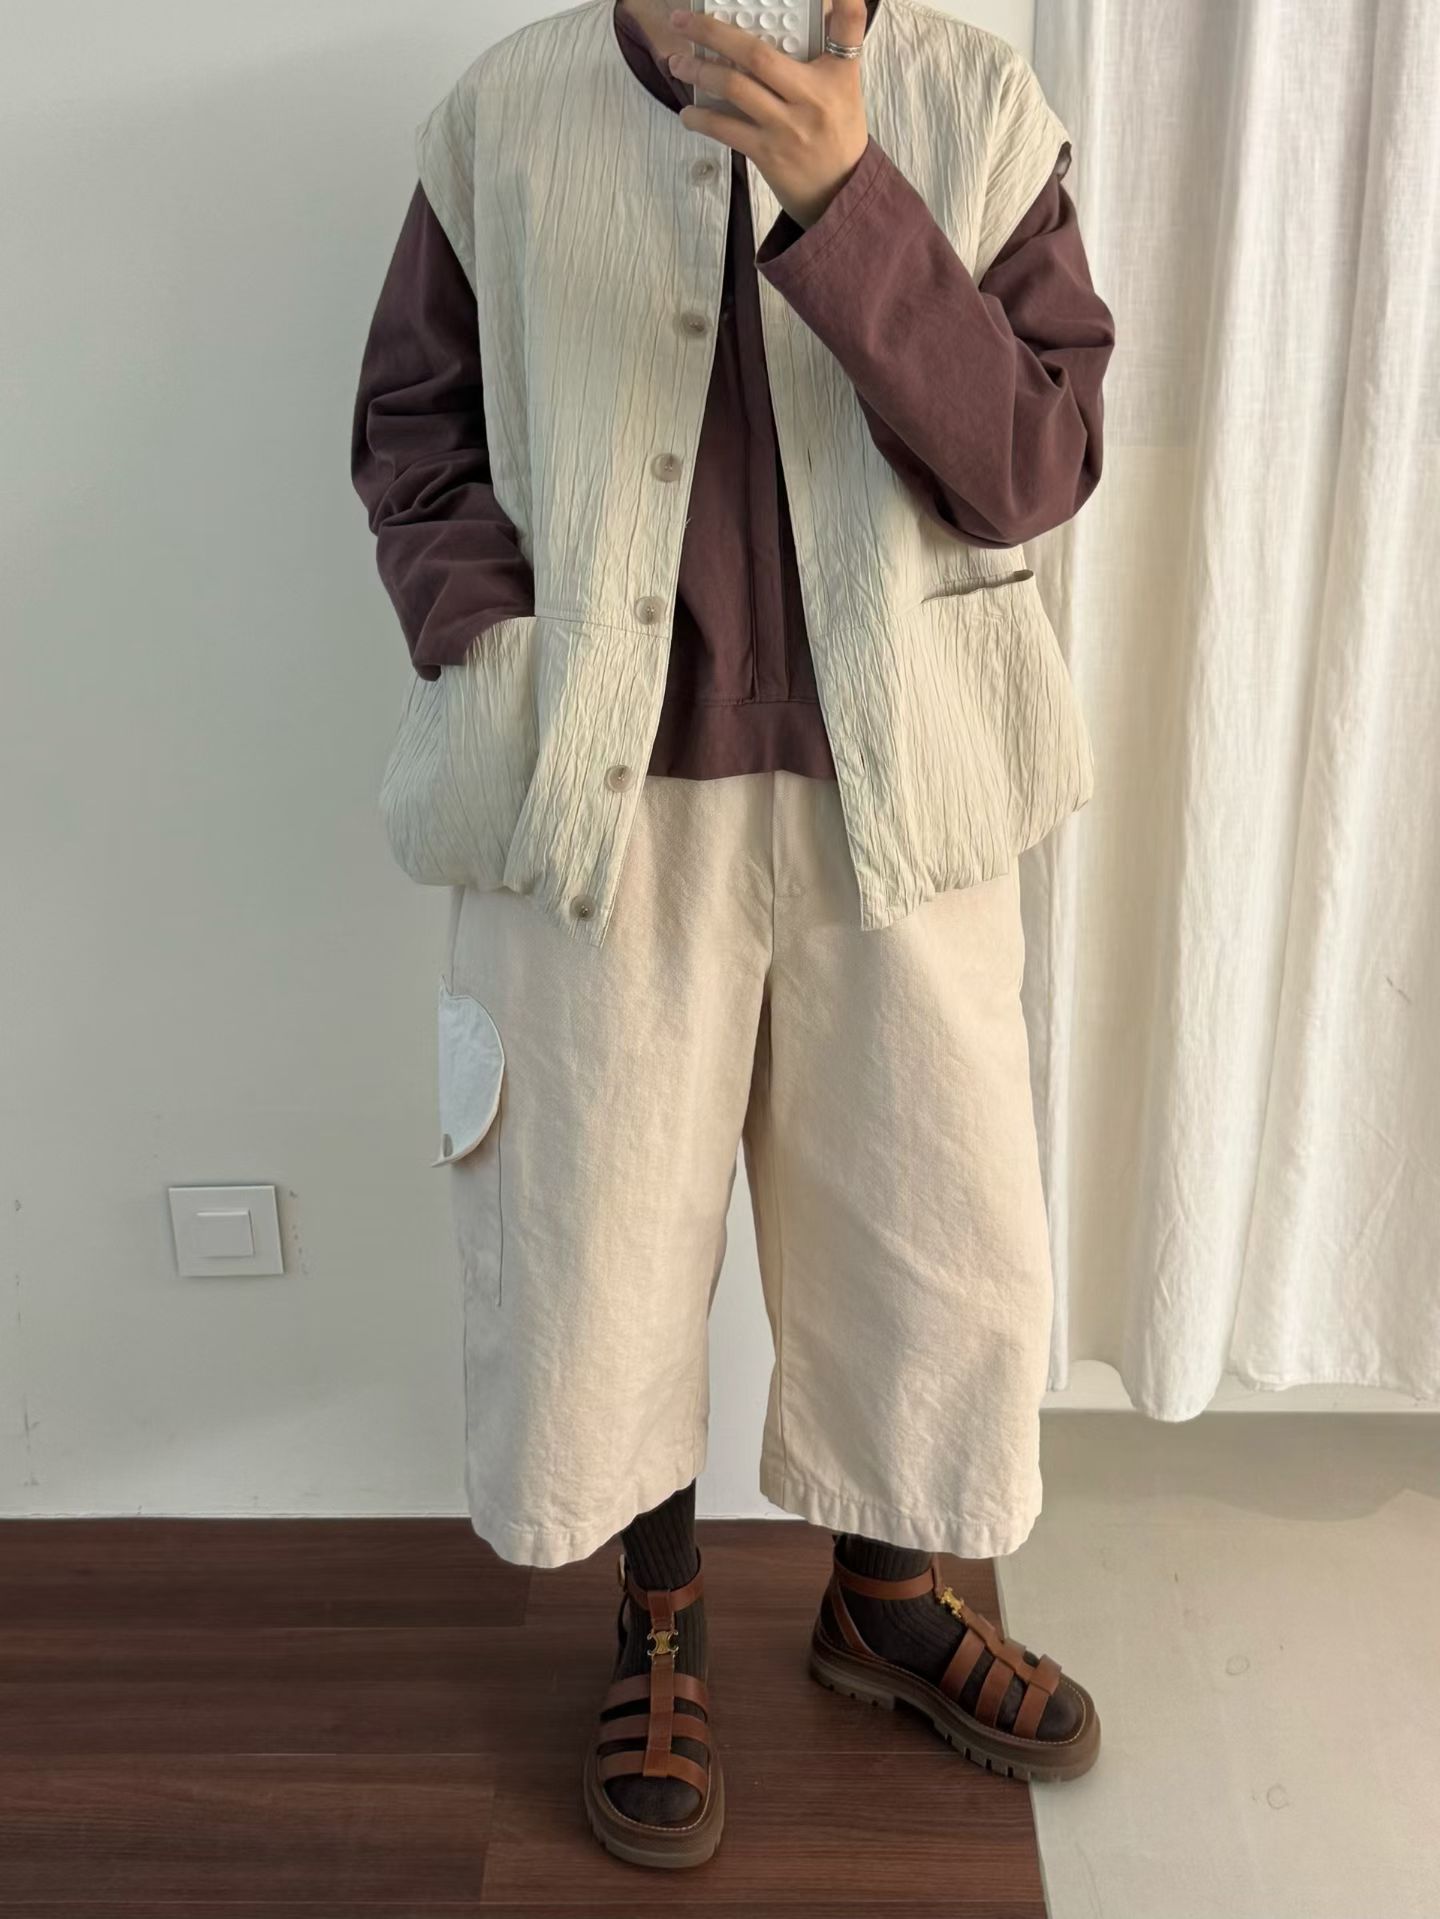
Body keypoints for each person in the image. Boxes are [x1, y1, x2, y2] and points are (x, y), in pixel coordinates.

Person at [352, 0, 1115, 1871]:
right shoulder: (507, 113)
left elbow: (1036, 462)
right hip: (595, 804)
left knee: (928, 1232)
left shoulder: (972, 100)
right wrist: (489, 642)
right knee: (600, 1238)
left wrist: (853, 198)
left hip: (907, 796)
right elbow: (412, 434)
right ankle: (661, 1616)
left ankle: (891, 1597)